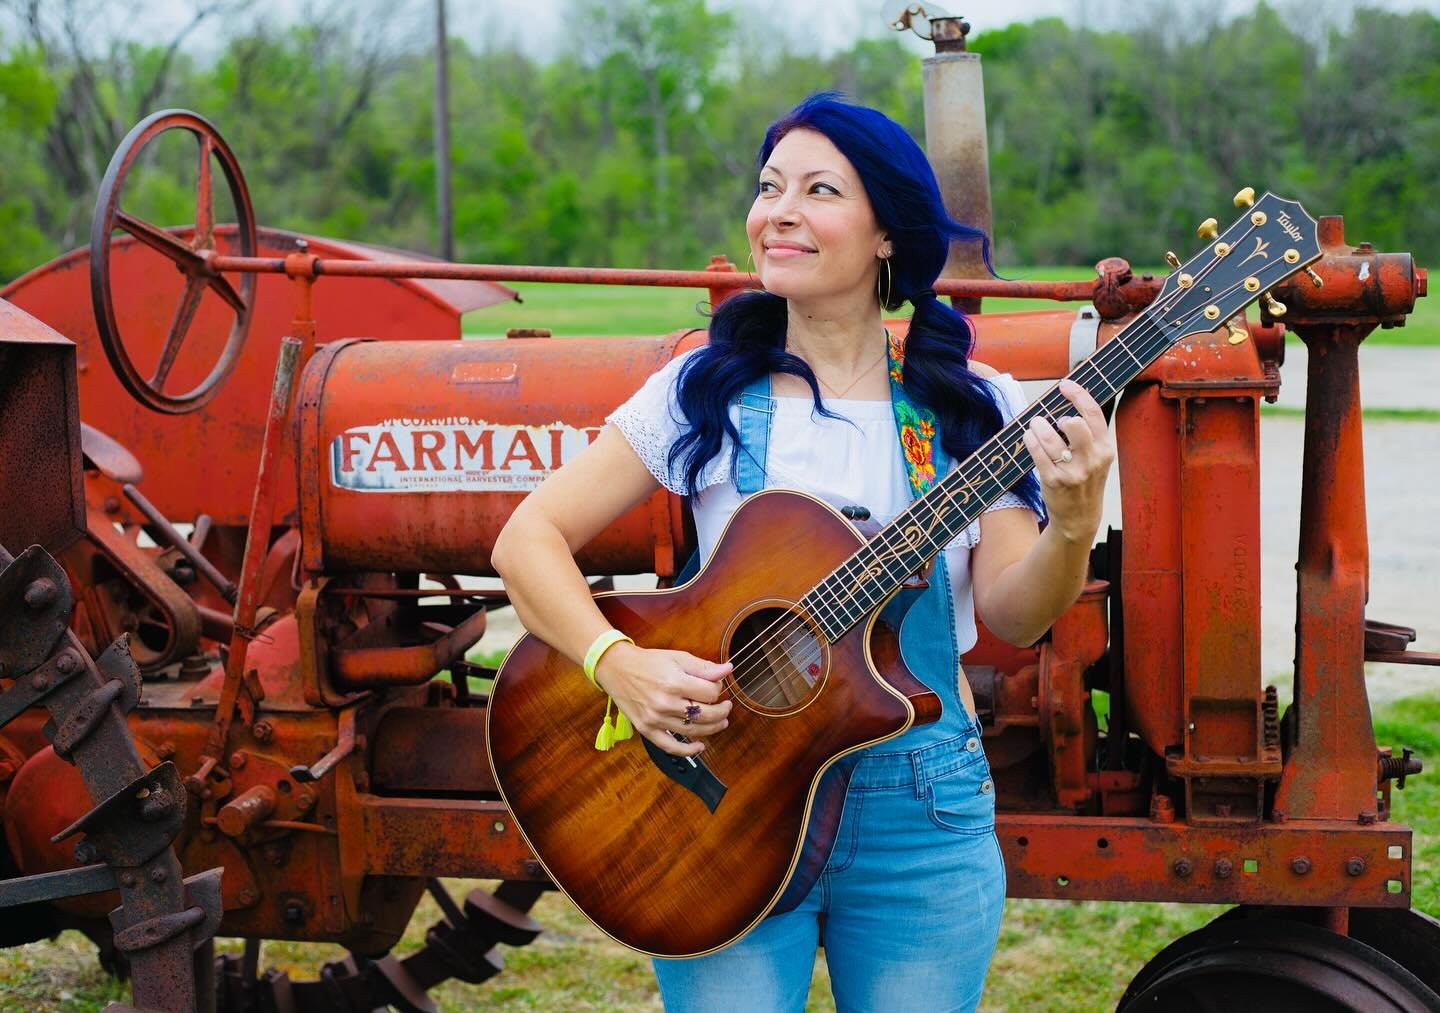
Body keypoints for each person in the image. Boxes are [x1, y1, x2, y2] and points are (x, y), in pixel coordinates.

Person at [491, 92, 1114, 1013]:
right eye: (768, 186)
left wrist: (1071, 521)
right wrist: (615, 663)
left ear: (887, 238)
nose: (777, 210)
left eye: (819, 190)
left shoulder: (972, 402)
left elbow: (1017, 612)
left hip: (922, 812)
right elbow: (526, 541)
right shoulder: (704, 390)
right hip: (718, 793)